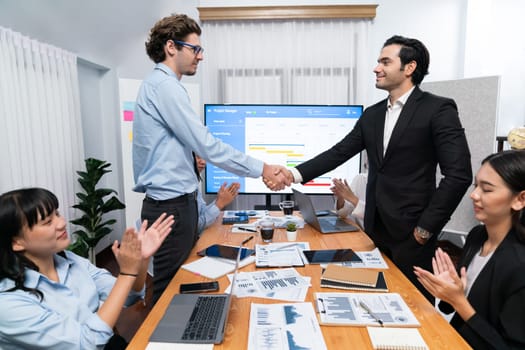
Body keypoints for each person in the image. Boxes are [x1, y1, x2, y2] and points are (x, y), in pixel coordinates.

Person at [277, 35, 472, 301]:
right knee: (373, 301)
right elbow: (339, 152)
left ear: (409, 68)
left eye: (385, 62)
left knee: (413, 308)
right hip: (375, 231)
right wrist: (293, 174)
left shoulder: (438, 109)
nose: (376, 68)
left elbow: (459, 175)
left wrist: (425, 229)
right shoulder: (372, 114)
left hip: (413, 236)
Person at [133, 14, 289, 303]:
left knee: (182, 285)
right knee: (170, 290)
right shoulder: (165, 87)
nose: (200, 56)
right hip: (171, 208)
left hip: (178, 205)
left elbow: (175, 148)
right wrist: (263, 167)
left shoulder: (161, 86)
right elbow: (208, 145)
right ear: (171, 47)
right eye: (195, 49)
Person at [0, 187, 174, 349]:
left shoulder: (68, 260)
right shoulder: (8, 303)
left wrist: (141, 260)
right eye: (47, 222)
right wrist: (127, 272)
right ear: (16, 242)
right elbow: (87, 343)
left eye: (57, 214)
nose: (61, 223)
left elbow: (131, 295)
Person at [414, 150, 525, 349]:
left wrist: (459, 302)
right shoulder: (477, 236)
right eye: (476, 186)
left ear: (520, 199)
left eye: (487, 189)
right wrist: (449, 292)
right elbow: (454, 308)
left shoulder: (519, 265)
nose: (473, 195)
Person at [194, 154, 240, 234]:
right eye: (198, 157)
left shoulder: (193, 184)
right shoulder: (181, 187)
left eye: (204, 157)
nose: (203, 162)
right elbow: (196, 226)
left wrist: (220, 200)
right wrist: (219, 204)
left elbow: (202, 212)